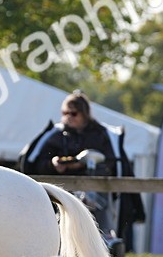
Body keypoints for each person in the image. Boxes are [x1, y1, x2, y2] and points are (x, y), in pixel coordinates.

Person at [18, 90, 145, 241]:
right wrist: (53, 165)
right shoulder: (55, 136)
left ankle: (104, 240)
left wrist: (82, 166)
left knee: (97, 212)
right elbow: (36, 165)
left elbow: (112, 165)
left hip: (97, 195)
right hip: (63, 192)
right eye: (65, 112)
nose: (68, 117)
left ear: (84, 114)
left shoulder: (101, 135)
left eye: (73, 113)